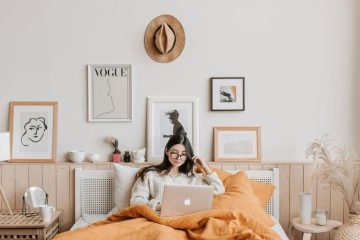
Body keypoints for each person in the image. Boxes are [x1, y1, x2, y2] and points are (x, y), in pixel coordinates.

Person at [130, 134, 225, 211]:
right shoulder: (150, 175)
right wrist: (158, 206)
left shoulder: (194, 178)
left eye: (183, 154)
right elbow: (135, 201)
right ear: (167, 151)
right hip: (158, 218)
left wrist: (205, 167)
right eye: (174, 152)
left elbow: (219, 190)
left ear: (188, 156)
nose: (178, 158)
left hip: (186, 220)